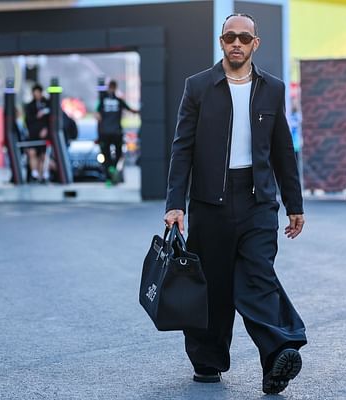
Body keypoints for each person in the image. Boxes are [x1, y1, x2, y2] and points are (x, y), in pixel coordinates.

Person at [164, 13, 307, 395]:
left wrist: (295, 203)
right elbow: (182, 149)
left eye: (245, 37)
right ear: (222, 41)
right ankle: (207, 361)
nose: (237, 43)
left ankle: (278, 354)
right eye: (230, 37)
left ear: (255, 43)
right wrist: (175, 203)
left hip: (258, 199)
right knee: (214, 285)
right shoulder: (198, 87)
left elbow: (282, 152)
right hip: (210, 202)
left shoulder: (272, 89)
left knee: (258, 277)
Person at [95, 80, 138, 185]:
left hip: (105, 133)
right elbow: (131, 110)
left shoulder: (102, 101)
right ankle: (113, 168)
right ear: (115, 88)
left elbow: (97, 115)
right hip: (116, 132)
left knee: (105, 155)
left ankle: (109, 174)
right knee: (118, 153)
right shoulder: (119, 101)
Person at [25, 84, 50, 182]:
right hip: (33, 134)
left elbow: (51, 119)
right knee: (32, 153)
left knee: (43, 155)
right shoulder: (30, 106)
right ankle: (34, 173)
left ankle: (43, 174)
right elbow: (27, 120)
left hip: (44, 135)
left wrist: (46, 129)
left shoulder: (48, 103)